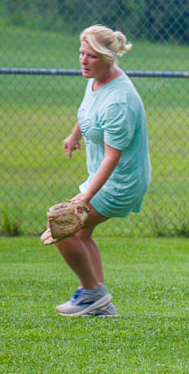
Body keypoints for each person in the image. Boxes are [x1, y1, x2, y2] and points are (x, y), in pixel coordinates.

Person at [52, 24, 151, 317]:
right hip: (104, 177)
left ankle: (91, 294)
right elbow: (88, 111)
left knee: (62, 228)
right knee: (81, 236)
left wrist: (83, 199)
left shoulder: (119, 102)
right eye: (82, 53)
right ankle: (101, 304)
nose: (84, 60)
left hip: (120, 181)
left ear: (108, 58)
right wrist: (74, 135)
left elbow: (112, 158)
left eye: (92, 56)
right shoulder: (96, 79)